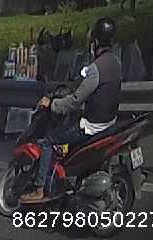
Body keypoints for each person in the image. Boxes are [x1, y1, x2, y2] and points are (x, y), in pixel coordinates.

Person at [21, 17, 121, 203]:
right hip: (109, 122)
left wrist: (52, 104)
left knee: (49, 140)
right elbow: (86, 85)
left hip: (92, 126)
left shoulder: (96, 68)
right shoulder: (116, 62)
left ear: (96, 41)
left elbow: (75, 101)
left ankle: (39, 189)